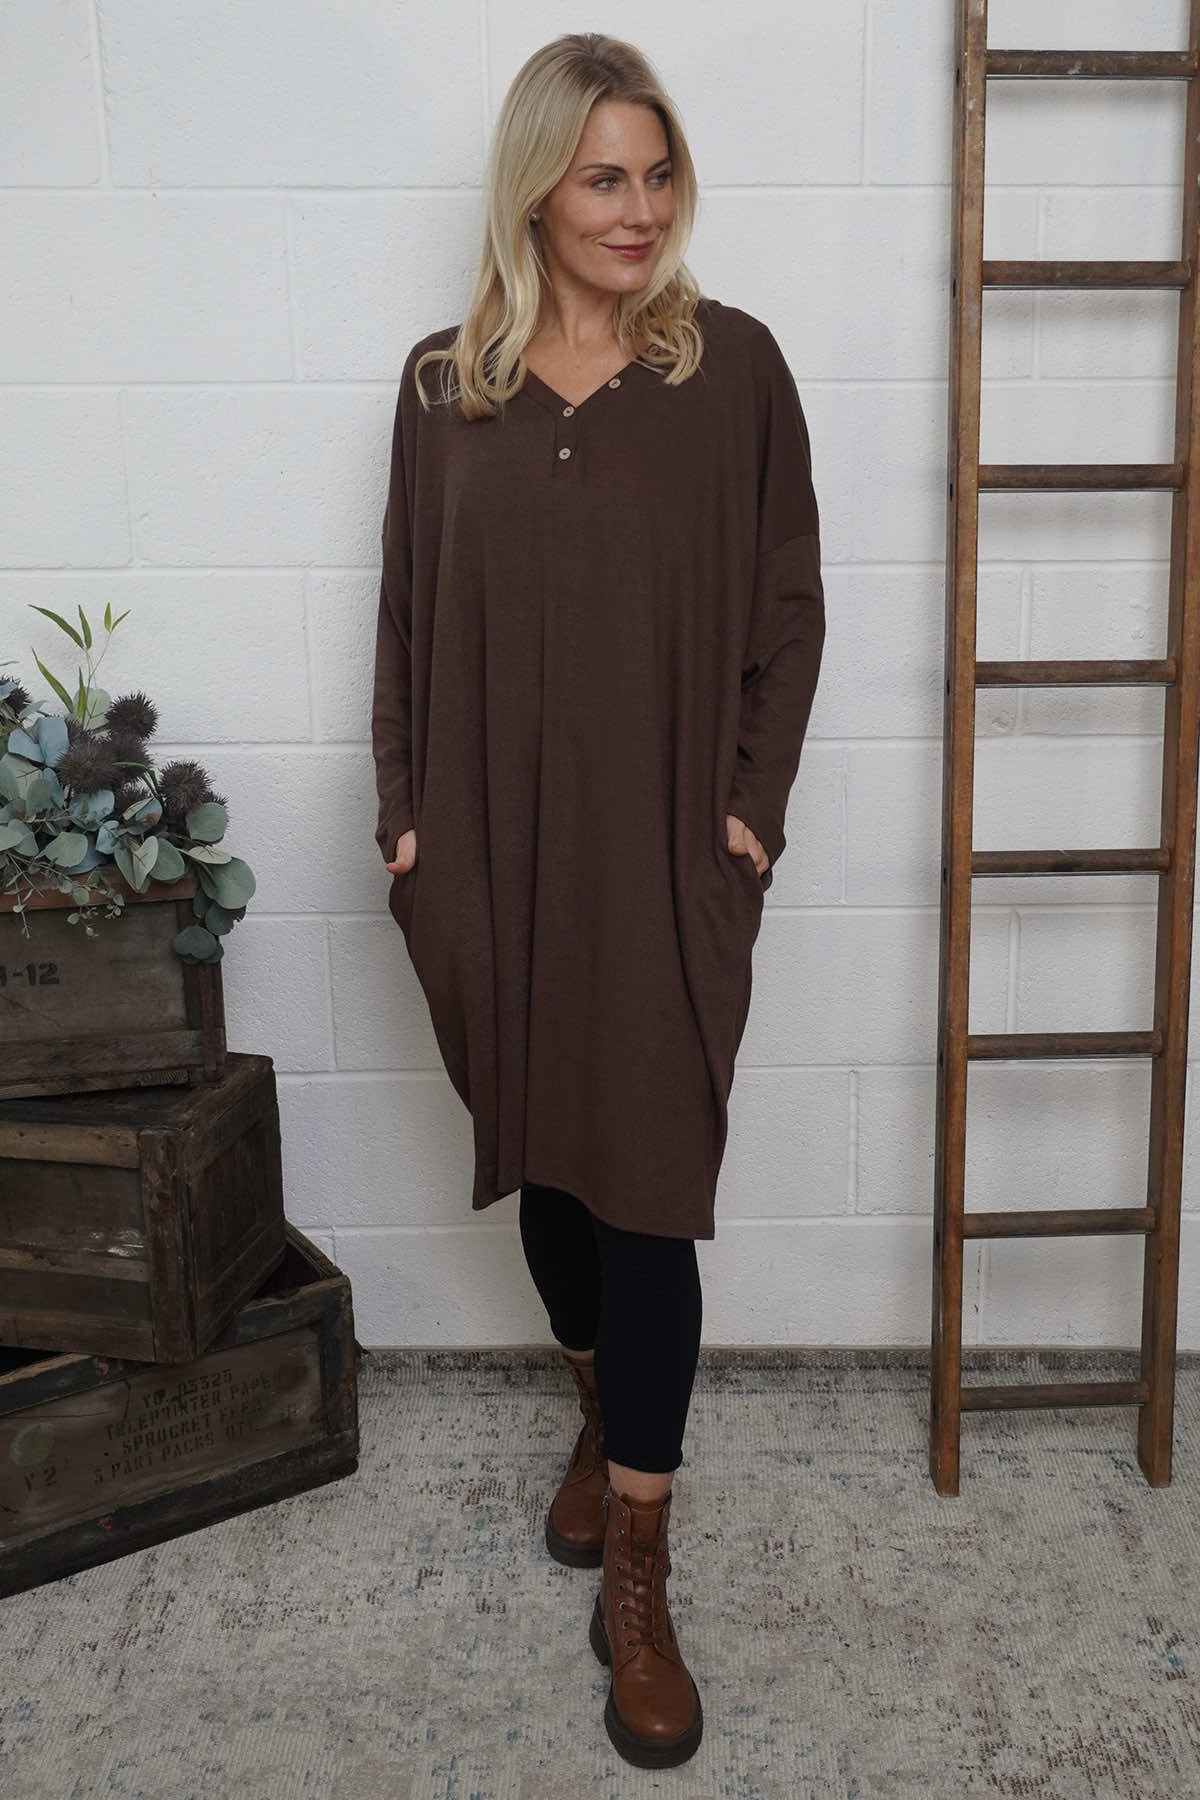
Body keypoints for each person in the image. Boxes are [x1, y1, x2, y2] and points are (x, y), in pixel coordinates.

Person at [371, 32, 825, 1772]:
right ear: (537, 192)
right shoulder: (445, 388)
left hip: (663, 864)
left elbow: (788, 612)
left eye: (658, 173)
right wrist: (408, 825)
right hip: (488, 857)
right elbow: (405, 619)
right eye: (603, 178)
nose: (639, 209)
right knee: (550, 1174)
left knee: (649, 1201)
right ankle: (599, 1407)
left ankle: (639, 1563)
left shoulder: (734, 369)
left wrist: (749, 820)